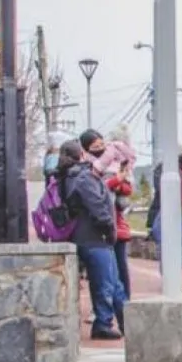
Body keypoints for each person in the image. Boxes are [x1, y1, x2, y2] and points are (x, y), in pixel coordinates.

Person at [57, 140, 125, 340]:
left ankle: (119, 321)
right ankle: (105, 323)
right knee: (108, 283)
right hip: (94, 237)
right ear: (82, 155)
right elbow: (97, 207)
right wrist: (110, 228)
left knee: (107, 283)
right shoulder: (83, 178)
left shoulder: (63, 177)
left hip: (77, 236)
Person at [149, 146, 182, 279]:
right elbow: (161, 188)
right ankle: (167, 276)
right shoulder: (165, 168)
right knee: (167, 244)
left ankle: (177, 277)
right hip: (170, 213)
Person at [105, 162, 135, 301]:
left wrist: (119, 183)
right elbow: (102, 187)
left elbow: (128, 190)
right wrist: (115, 181)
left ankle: (125, 301)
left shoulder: (122, 182)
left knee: (121, 267)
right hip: (103, 229)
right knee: (106, 270)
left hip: (118, 229)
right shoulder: (96, 170)